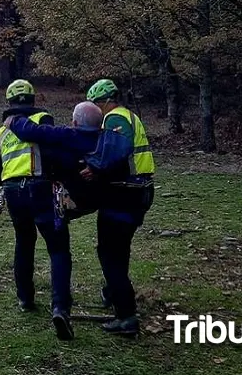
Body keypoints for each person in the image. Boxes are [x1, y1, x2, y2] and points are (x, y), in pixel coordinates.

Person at [0, 79, 74, 341]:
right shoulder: (43, 119)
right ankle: (60, 308)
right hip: (41, 188)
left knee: (24, 242)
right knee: (58, 247)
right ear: (32, 98)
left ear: (9, 102)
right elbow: (55, 153)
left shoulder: (1, 131)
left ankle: (25, 299)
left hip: (13, 192)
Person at [85, 79, 156, 336]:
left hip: (124, 193)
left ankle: (126, 316)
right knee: (119, 248)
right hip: (139, 191)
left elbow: (115, 150)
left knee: (109, 252)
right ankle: (114, 293)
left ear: (102, 102)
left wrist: (93, 167)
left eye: (95, 106)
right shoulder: (129, 116)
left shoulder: (114, 119)